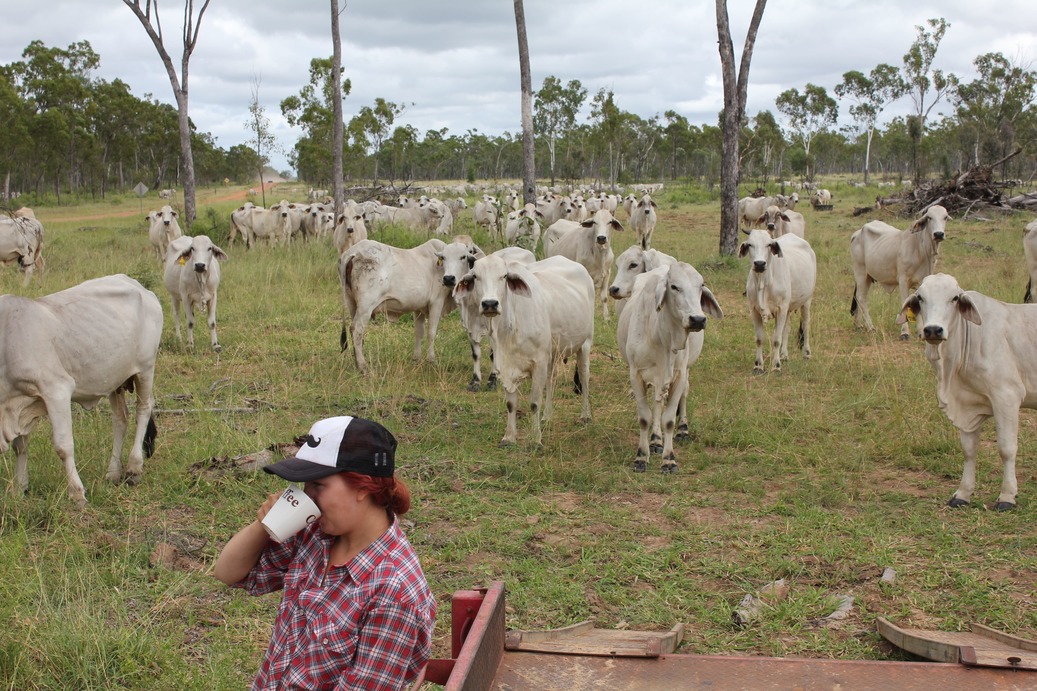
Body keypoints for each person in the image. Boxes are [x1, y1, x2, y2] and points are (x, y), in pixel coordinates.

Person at [214, 415, 436, 690]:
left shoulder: (394, 594)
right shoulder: (315, 535)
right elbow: (228, 573)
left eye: (317, 485)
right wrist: (264, 525)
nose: (306, 497)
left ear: (363, 487)